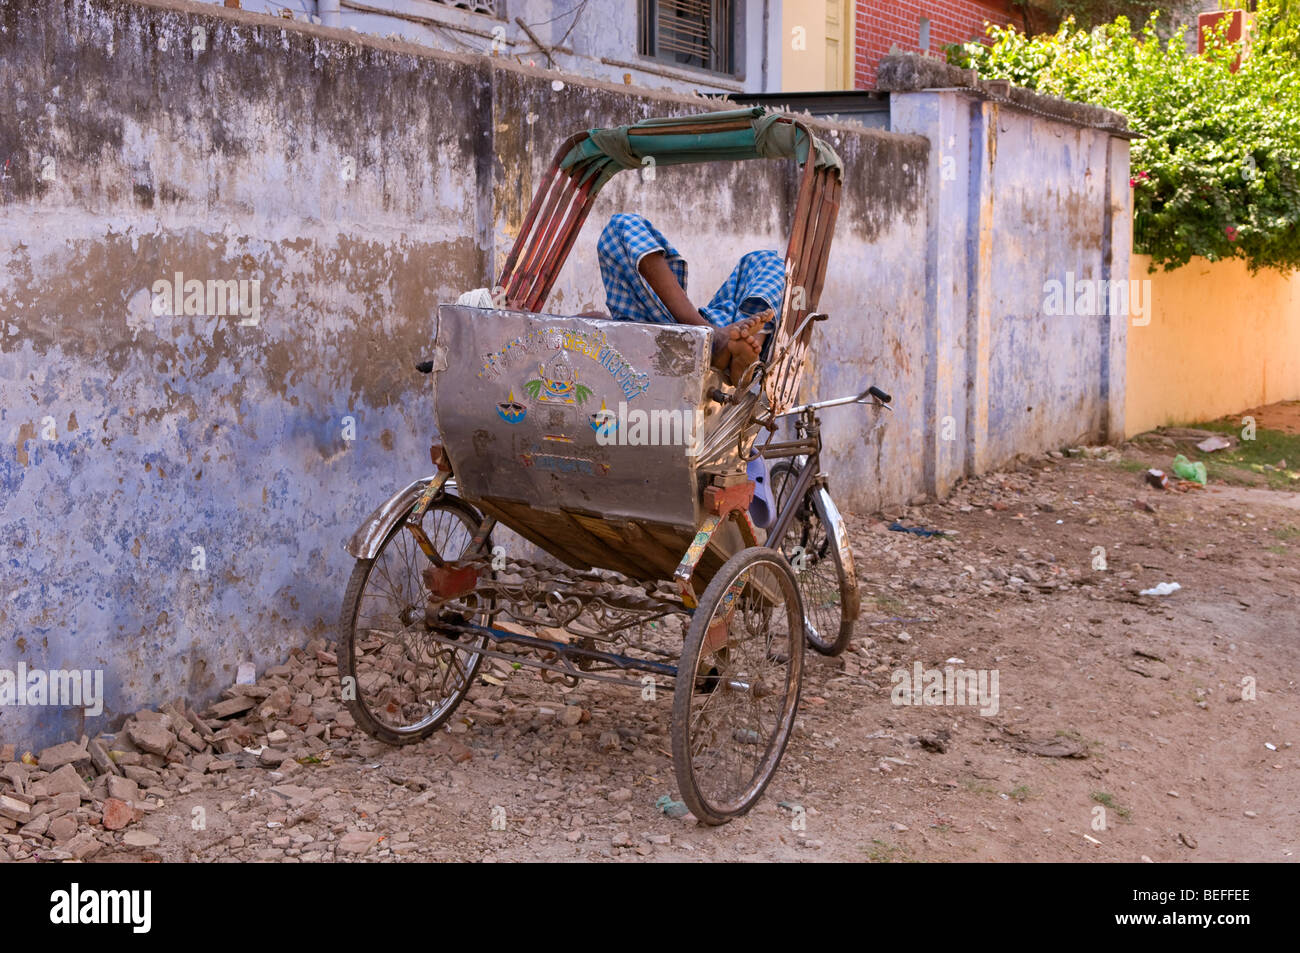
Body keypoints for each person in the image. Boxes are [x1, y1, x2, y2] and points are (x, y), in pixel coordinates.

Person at [585, 213, 785, 385]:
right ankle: (717, 342)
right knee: (622, 224)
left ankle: (738, 357)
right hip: (657, 338)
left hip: (708, 326)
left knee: (766, 260)